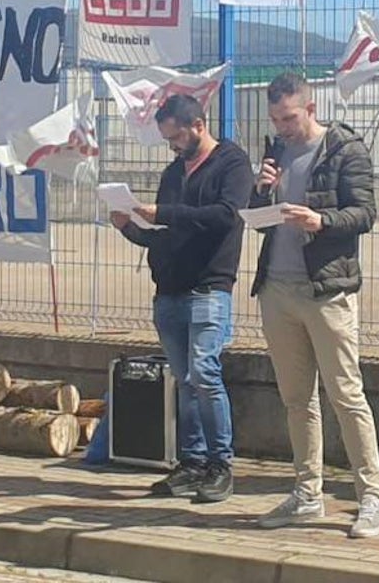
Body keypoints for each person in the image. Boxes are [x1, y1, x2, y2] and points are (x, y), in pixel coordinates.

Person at [247, 73, 379, 537]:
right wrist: (262, 190)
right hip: (278, 288)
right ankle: (307, 493)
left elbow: (366, 212)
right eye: (275, 119)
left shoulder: (345, 149)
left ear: (310, 108)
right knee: (296, 400)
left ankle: (372, 499)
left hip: (327, 291)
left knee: (347, 396)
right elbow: (260, 221)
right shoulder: (276, 151)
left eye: (288, 117)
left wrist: (322, 220)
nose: (282, 127)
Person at [110, 94, 253, 504]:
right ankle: (191, 462)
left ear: (198, 125)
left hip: (209, 285)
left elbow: (226, 215)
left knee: (205, 374)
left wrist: (164, 212)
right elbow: (163, 230)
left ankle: (220, 464)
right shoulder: (174, 172)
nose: (172, 146)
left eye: (176, 137)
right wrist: (129, 225)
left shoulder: (232, 163)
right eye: (167, 139)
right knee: (185, 381)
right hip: (169, 290)